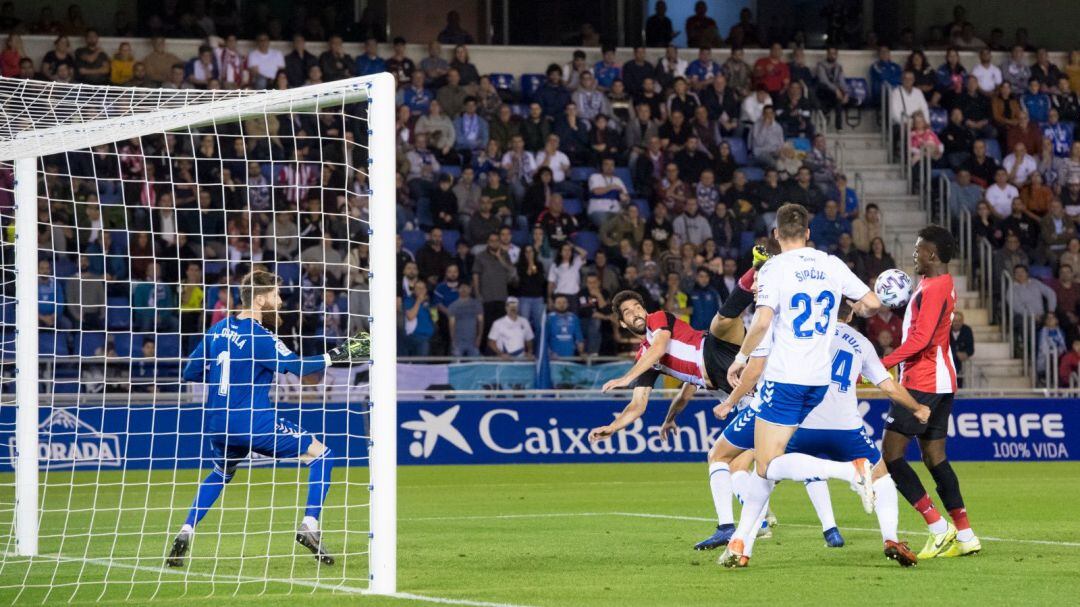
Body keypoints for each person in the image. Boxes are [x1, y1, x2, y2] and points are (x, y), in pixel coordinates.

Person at [166, 271, 369, 568]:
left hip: (217, 424)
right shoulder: (261, 337)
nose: (280, 302)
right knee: (322, 454)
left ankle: (186, 530)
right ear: (260, 299)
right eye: (276, 295)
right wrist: (336, 354)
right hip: (252, 421)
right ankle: (309, 525)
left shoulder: (218, 329)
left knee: (221, 474)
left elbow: (190, 373)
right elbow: (297, 367)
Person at [719, 203, 881, 568]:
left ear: (776, 235)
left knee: (765, 465)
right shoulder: (831, 264)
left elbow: (761, 322)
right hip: (818, 381)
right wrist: (873, 301)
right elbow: (870, 304)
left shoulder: (775, 267)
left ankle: (848, 470)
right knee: (765, 467)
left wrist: (741, 357)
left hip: (784, 377)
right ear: (808, 233)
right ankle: (740, 544)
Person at [705, 302, 927, 565]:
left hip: (799, 422)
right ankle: (890, 538)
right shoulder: (861, 342)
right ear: (851, 314)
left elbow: (759, 369)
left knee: (763, 473)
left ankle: (743, 544)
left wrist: (732, 399)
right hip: (846, 428)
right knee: (881, 476)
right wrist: (917, 407)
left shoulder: (796, 331)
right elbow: (889, 387)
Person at [879, 226, 981, 559]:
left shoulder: (934, 288)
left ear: (932, 255)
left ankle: (938, 528)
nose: (915, 253)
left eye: (919, 249)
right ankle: (965, 534)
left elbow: (921, 340)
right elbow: (923, 327)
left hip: (923, 382)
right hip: (941, 380)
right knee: (935, 458)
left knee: (892, 456)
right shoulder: (932, 284)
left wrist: (881, 364)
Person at [815, 46, 850, 131]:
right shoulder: (821, 65)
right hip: (823, 90)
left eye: (834, 54)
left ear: (836, 55)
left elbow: (841, 81)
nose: (832, 55)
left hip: (834, 93)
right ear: (827, 54)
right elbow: (824, 80)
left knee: (839, 100)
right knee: (829, 90)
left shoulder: (838, 66)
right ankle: (825, 113)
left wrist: (846, 93)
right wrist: (836, 90)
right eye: (830, 53)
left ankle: (839, 127)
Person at [447, 282, 484, 357]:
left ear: (470, 290)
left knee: (475, 364)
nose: (464, 290)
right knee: (456, 364)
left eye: (466, 287)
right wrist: (453, 340)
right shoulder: (453, 306)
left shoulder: (477, 304)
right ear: (458, 290)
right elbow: (451, 325)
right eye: (462, 287)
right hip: (458, 341)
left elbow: (481, 322)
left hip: (473, 340)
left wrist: (479, 337)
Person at [545, 294, 584, 358]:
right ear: (554, 304)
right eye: (559, 303)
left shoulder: (574, 317)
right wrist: (550, 353)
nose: (562, 305)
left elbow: (579, 337)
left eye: (564, 302)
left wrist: (581, 352)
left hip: (570, 357)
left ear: (568, 304)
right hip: (553, 358)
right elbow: (544, 339)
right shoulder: (549, 318)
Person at [950, 311, 975, 388]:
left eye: (959, 321)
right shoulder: (946, 330)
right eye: (955, 321)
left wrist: (966, 354)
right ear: (951, 321)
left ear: (962, 321)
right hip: (949, 362)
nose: (957, 323)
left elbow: (971, 349)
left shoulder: (967, 330)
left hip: (962, 363)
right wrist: (956, 353)